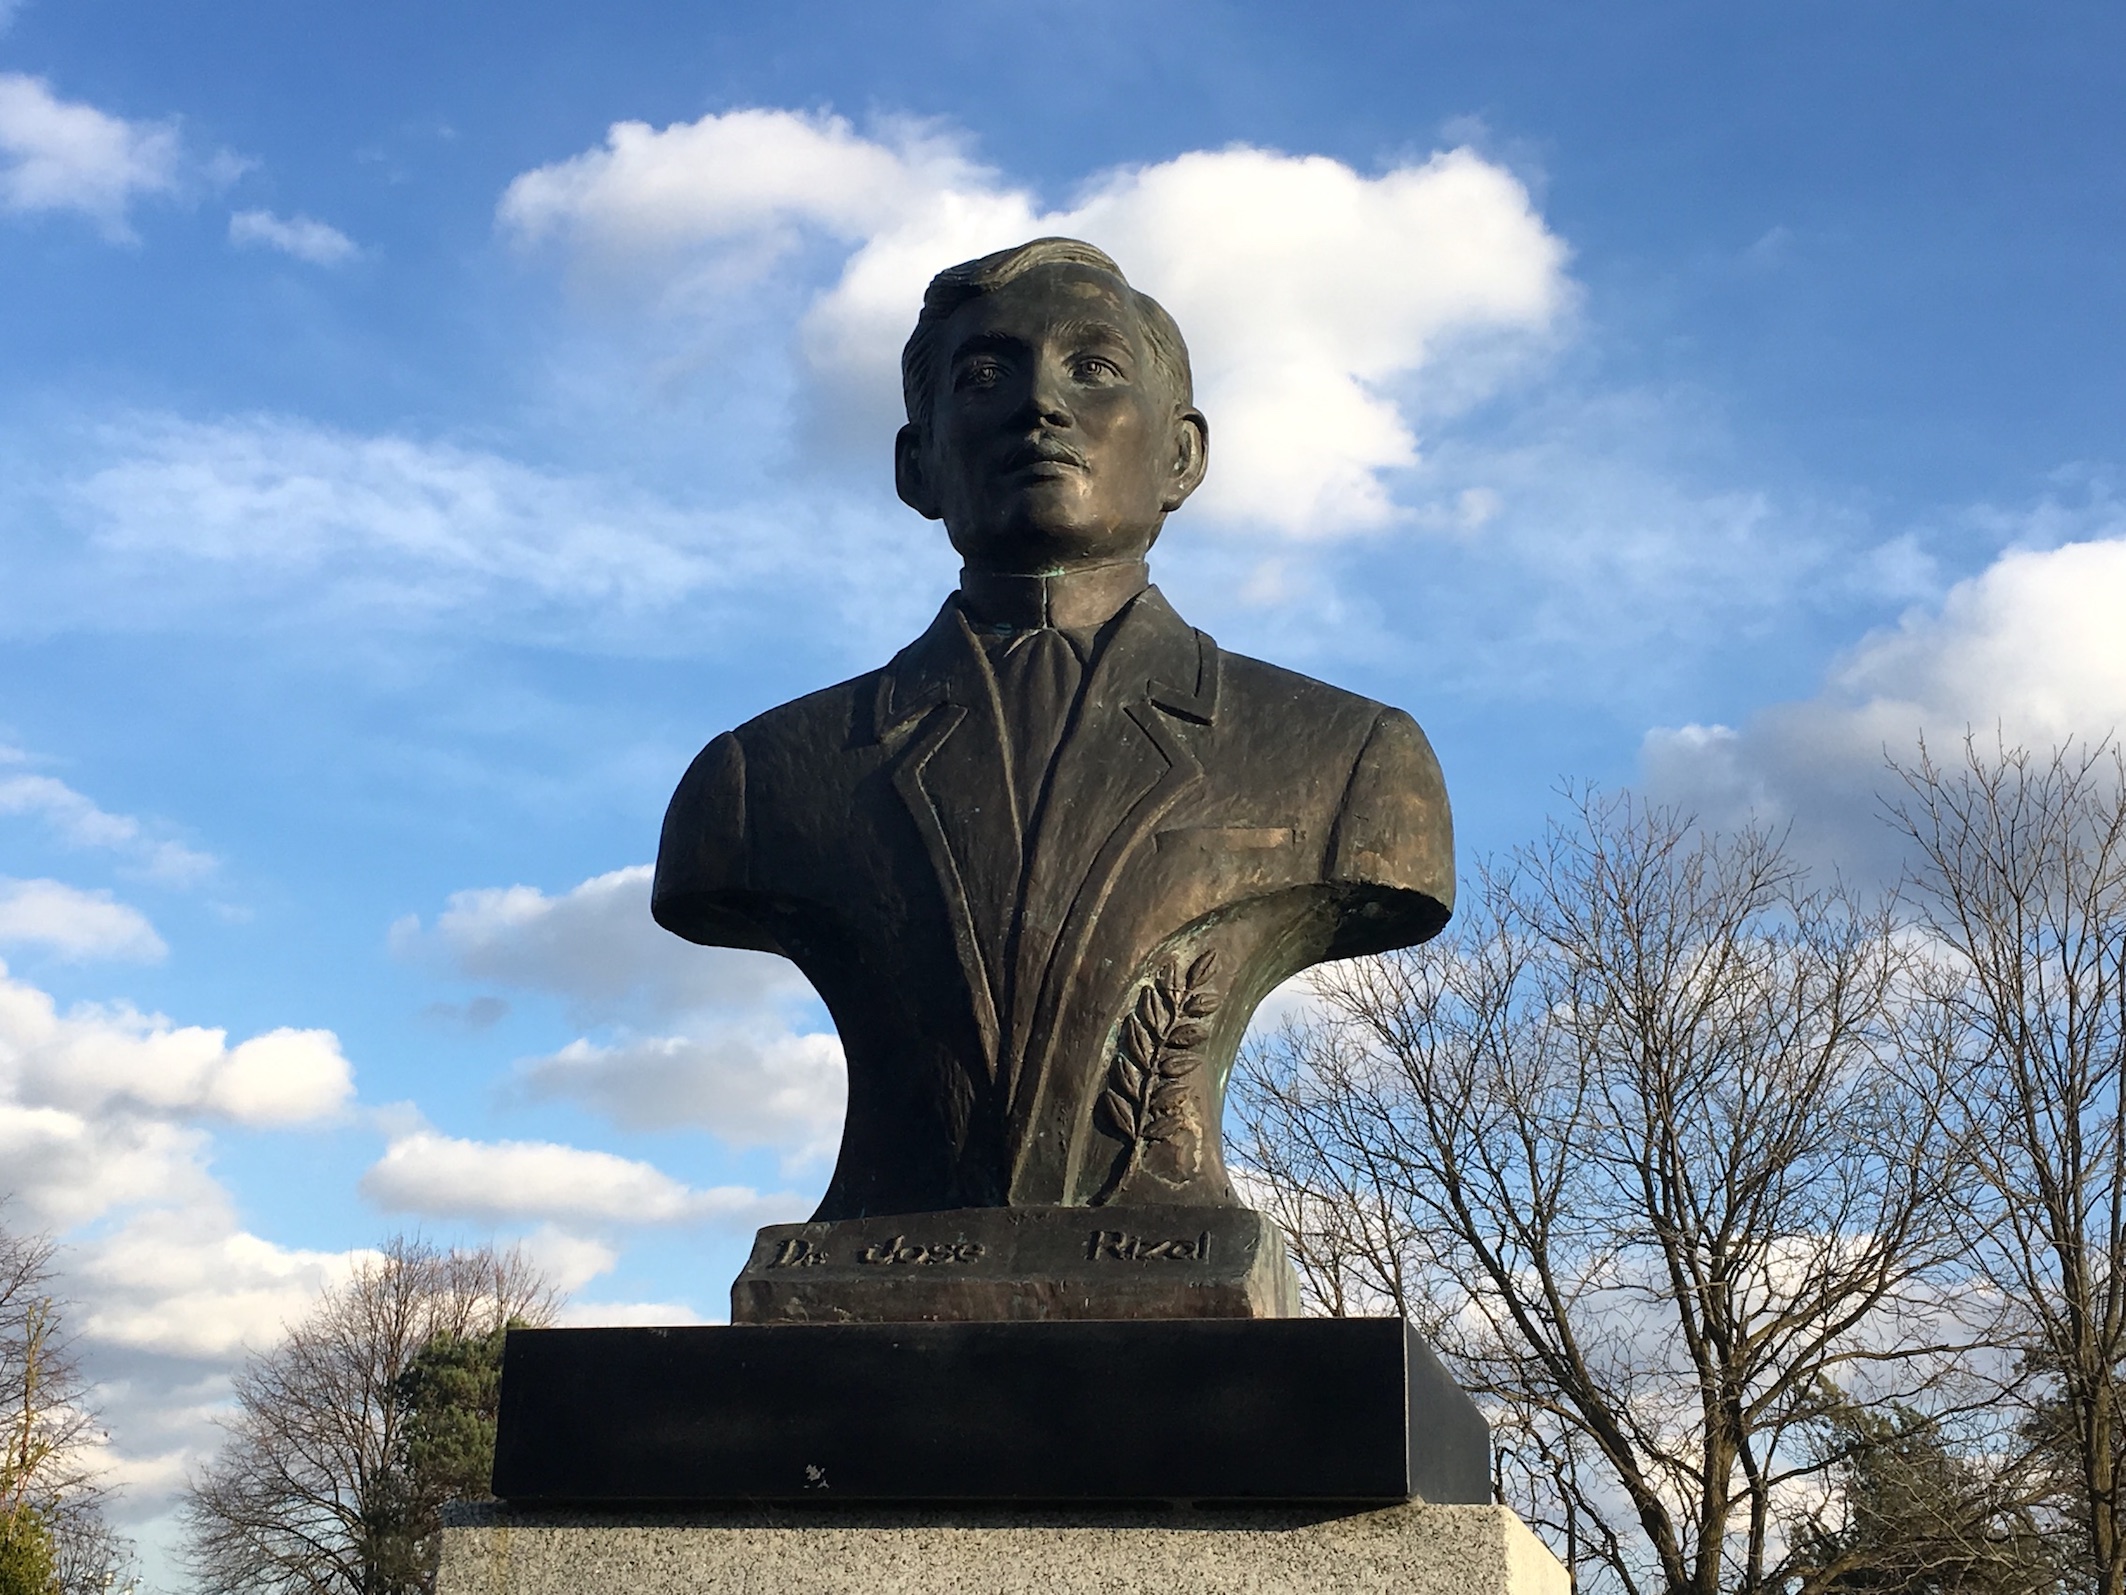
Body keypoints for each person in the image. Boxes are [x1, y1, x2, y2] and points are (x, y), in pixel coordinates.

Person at [653, 237, 1452, 1220]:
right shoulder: (755, 782)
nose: (1040, 403)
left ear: (1181, 455)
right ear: (916, 464)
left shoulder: (1349, 763)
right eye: (985, 376)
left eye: (1094, 368)